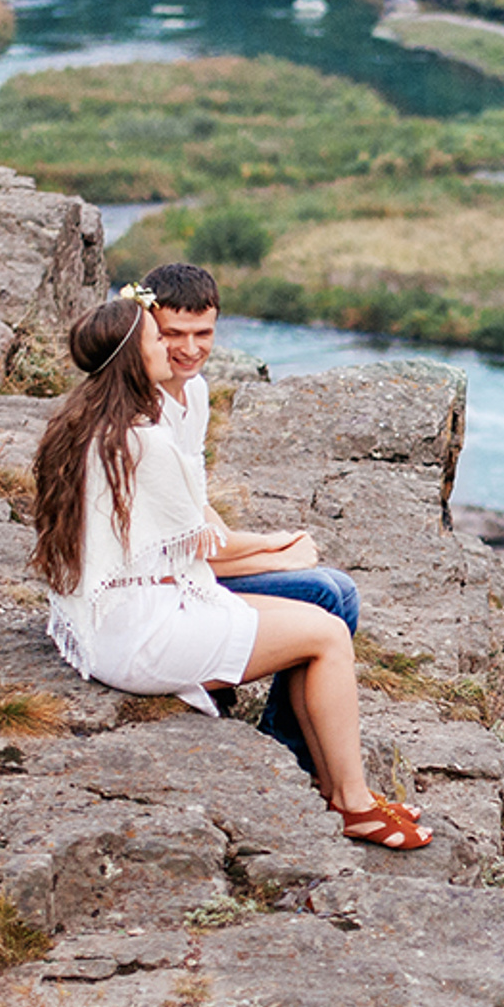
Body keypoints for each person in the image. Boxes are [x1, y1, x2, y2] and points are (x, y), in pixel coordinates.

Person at [32, 291, 429, 849]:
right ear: (132, 357)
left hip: (119, 618)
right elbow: (201, 550)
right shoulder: (141, 442)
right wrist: (282, 549)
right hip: (145, 633)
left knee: (317, 619)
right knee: (328, 633)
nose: (171, 350)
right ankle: (354, 803)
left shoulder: (85, 422)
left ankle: (340, 791)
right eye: (157, 339)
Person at [137, 261, 359, 777]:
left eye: (203, 333)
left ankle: (294, 735)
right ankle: (290, 746)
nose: (191, 348)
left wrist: (260, 548)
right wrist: (276, 547)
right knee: (328, 594)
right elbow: (186, 541)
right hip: (164, 578)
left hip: (188, 559)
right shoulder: (144, 415)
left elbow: (196, 502)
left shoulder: (192, 392)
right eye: (173, 334)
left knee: (336, 589)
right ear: (148, 330)